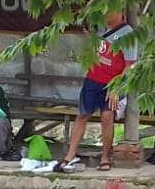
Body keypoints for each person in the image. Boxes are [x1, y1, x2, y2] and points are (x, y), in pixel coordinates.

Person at [56, 10, 139, 172]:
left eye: (109, 11)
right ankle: (70, 155)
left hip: (112, 83)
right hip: (93, 78)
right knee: (82, 115)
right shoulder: (99, 27)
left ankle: (105, 156)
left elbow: (130, 65)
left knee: (107, 116)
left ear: (119, 12)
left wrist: (117, 87)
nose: (105, 14)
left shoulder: (128, 34)